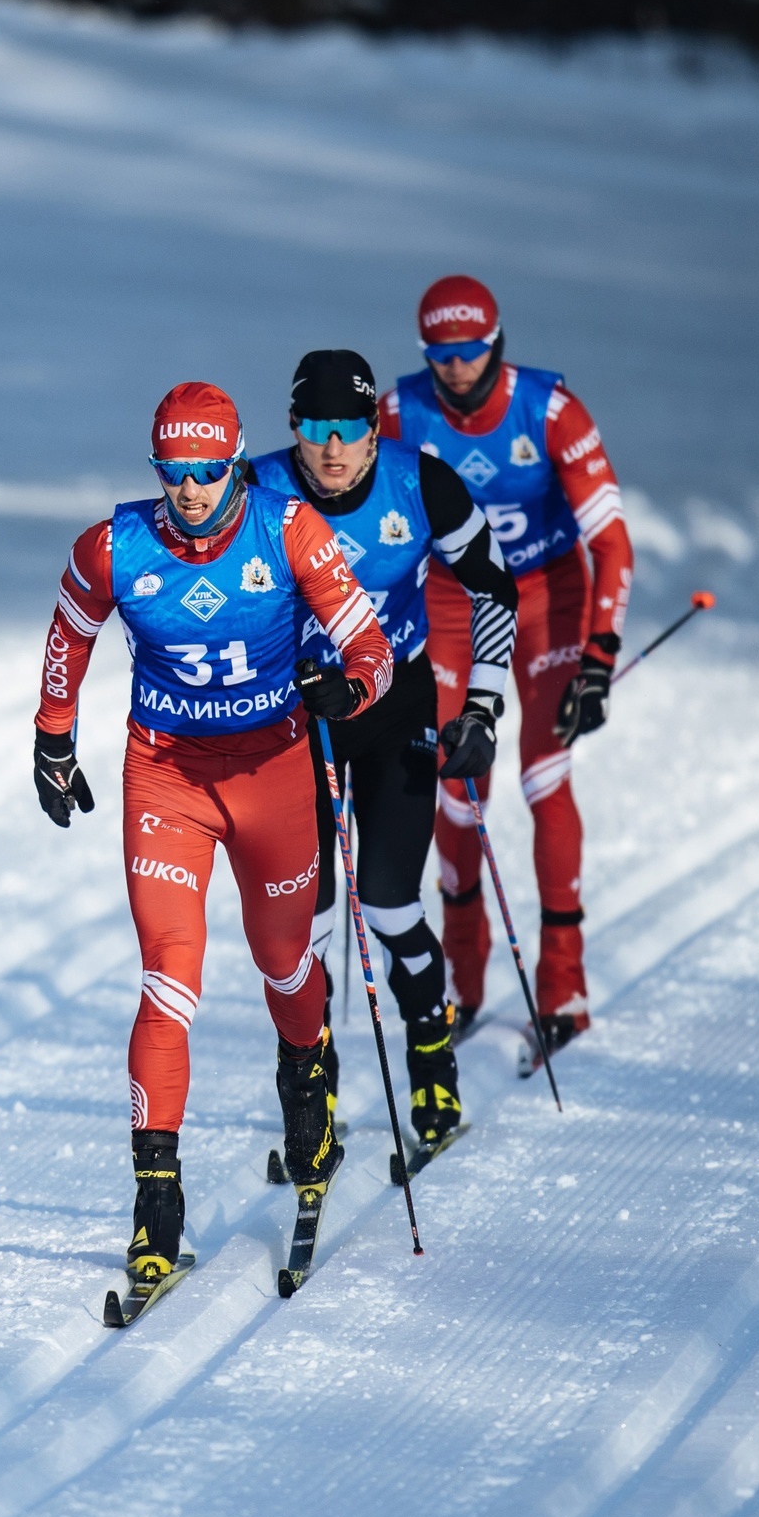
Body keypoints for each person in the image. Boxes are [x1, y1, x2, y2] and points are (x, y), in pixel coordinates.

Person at [31, 382, 395, 1304]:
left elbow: (371, 643)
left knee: (284, 965)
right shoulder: (115, 545)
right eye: (173, 473)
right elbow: (70, 630)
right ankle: (157, 1204)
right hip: (167, 778)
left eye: (207, 472)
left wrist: (346, 690)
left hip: (272, 772)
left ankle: (307, 1088)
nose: (190, 492)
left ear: (235, 461)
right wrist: (52, 737)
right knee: (168, 978)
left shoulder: (291, 531)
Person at [252, 350, 518, 1147]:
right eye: (314, 428)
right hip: (294, 722)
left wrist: (482, 707)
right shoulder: (254, 489)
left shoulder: (421, 481)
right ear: (293, 429)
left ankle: (432, 1065)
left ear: (375, 430)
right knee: (310, 922)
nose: (332, 449)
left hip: (395, 706)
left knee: (392, 902)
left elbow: (493, 584)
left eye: (351, 429)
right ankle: (313, 1098)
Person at [377, 277, 634, 1053]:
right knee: (455, 784)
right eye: (441, 355)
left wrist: (599, 652)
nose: (457, 368)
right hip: (457, 600)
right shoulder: (399, 412)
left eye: (471, 351)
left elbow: (610, 538)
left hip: (547, 592)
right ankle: (463, 981)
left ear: (498, 341)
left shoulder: (550, 410)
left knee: (542, 774)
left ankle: (564, 983)